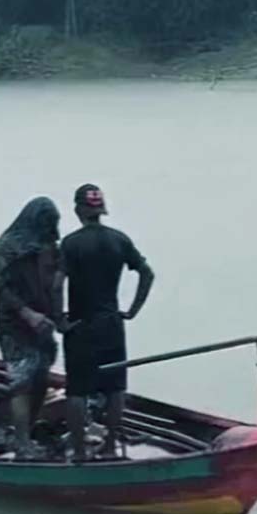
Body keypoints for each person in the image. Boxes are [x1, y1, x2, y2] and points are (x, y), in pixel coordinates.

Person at [59, 184, 154, 460]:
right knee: (115, 387)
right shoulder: (119, 240)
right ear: (101, 210)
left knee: (77, 390)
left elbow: (56, 284)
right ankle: (111, 446)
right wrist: (132, 310)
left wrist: (59, 320)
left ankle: (79, 452)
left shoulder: (71, 243)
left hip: (80, 324)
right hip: (112, 323)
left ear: (78, 210)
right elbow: (147, 274)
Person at [0, 197, 61, 458]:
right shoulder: (7, 247)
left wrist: (57, 315)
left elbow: (56, 281)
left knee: (41, 380)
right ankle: (22, 443)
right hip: (13, 325)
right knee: (22, 382)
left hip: (43, 324)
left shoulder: (49, 245)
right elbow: (2, 289)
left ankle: (25, 433)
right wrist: (27, 314)